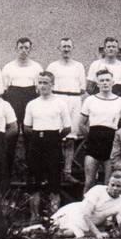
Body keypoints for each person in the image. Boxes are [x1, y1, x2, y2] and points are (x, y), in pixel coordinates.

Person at [23, 71, 72, 222]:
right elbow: (26, 127)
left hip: (53, 142)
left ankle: (54, 219)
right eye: (40, 82)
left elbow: (67, 128)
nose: (43, 85)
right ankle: (34, 216)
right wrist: (39, 137)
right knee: (34, 182)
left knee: (54, 181)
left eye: (46, 82)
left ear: (52, 84)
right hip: (36, 143)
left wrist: (54, 138)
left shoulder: (60, 103)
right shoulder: (32, 104)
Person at [79, 69, 121, 194]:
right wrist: (90, 137)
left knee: (109, 183)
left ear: (113, 82)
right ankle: (86, 205)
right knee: (89, 182)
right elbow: (81, 124)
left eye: (107, 80)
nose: (105, 83)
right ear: (97, 83)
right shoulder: (90, 100)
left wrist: (118, 143)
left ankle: (108, 206)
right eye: (102, 80)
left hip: (111, 145)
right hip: (93, 144)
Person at [46, 38, 86, 185]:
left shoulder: (79, 66)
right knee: (56, 136)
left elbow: (82, 88)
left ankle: (67, 172)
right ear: (59, 48)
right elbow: (48, 85)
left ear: (72, 48)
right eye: (64, 47)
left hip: (74, 100)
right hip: (57, 99)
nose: (66, 49)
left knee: (70, 138)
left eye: (69, 46)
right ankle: (54, 172)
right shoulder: (53, 66)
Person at [2, 37, 42, 175]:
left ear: (30, 49)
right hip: (13, 100)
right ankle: (7, 170)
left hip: (30, 100)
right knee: (11, 134)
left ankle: (32, 171)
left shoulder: (37, 67)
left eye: (26, 48)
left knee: (30, 135)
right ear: (16, 49)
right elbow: (4, 89)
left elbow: (39, 89)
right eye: (21, 48)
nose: (23, 50)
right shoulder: (8, 67)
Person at [51, 170, 121, 238]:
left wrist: (119, 231)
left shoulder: (120, 202)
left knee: (69, 233)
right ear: (108, 183)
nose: (115, 188)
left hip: (88, 225)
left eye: (118, 186)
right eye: (112, 185)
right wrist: (97, 233)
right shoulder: (98, 190)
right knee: (58, 230)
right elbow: (85, 215)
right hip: (74, 214)